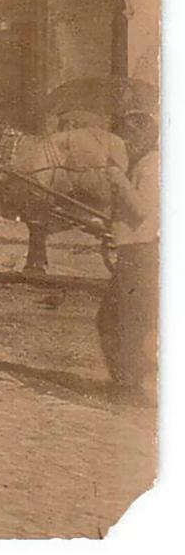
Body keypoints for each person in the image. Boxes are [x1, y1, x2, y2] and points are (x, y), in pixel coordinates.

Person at [98, 111, 159, 404]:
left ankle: (131, 385)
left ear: (144, 137)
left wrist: (120, 180)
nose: (124, 142)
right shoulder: (141, 163)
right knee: (118, 319)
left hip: (142, 252)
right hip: (133, 249)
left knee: (122, 320)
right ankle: (128, 381)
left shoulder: (153, 166)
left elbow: (144, 209)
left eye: (129, 136)